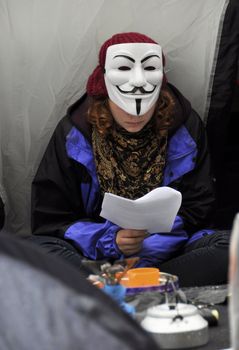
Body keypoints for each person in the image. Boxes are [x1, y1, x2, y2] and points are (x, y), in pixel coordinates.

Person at [31, 32, 230, 287]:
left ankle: (126, 285)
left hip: (169, 253)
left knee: (230, 246)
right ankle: (130, 284)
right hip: (92, 255)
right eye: (123, 105)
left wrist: (153, 239)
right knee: (34, 251)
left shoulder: (185, 128)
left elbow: (200, 205)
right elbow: (51, 218)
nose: (135, 114)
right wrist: (110, 239)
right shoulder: (75, 133)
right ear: (104, 88)